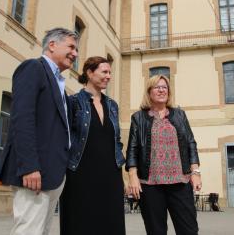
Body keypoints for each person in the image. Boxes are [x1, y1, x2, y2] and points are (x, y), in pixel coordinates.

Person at [0, 27, 79, 235]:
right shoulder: (33, 68)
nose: (75, 54)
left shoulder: (59, 82)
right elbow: (22, 119)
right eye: (71, 47)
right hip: (35, 172)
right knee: (29, 230)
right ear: (52, 45)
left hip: (53, 173)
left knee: (41, 231)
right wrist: (29, 166)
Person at [127, 74, 201, 235]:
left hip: (180, 182)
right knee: (156, 231)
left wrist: (195, 172)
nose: (161, 90)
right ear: (149, 92)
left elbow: (190, 143)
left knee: (189, 230)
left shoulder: (179, 115)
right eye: (157, 87)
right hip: (150, 184)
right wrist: (132, 176)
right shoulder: (138, 118)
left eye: (165, 87)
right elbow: (132, 148)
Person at [60, 56, 126, 235]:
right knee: (80, 223)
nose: (109, 76)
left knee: (111, 224)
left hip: (111, 175)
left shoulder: (112, 105)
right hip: (80, 173)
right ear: (89, 73)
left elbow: (117, 140)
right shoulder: (73, 102)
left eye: (110, 72)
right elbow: (64, 138)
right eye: (104, 72)